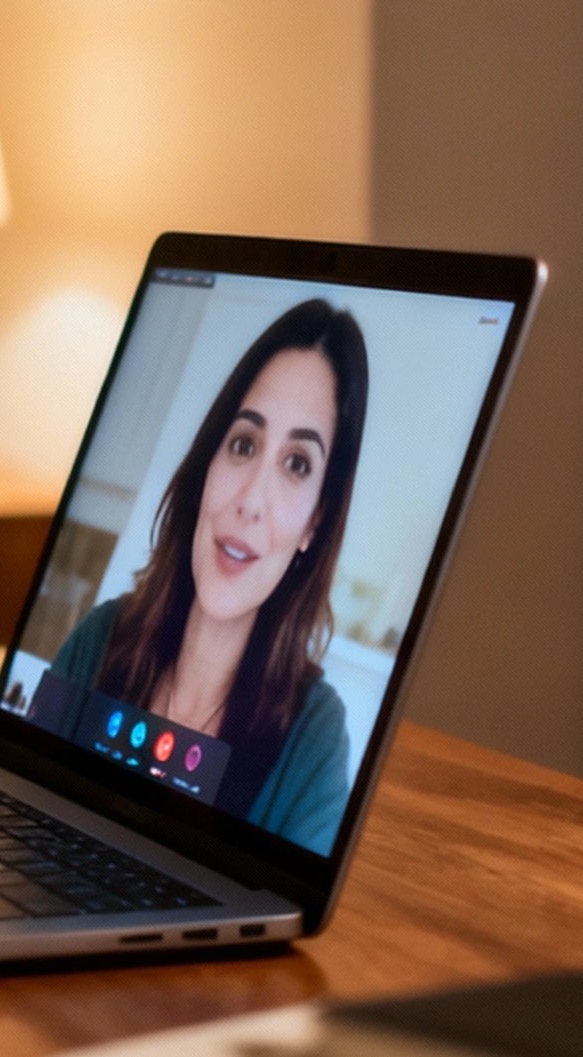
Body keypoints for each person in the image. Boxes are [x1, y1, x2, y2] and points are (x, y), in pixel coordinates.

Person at [49, 299, 366, 851]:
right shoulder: (99, 639)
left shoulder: (314, 739)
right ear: (207, 466)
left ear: (315, 521)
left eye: (297, 465)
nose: (251, 501)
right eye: (244, 444)